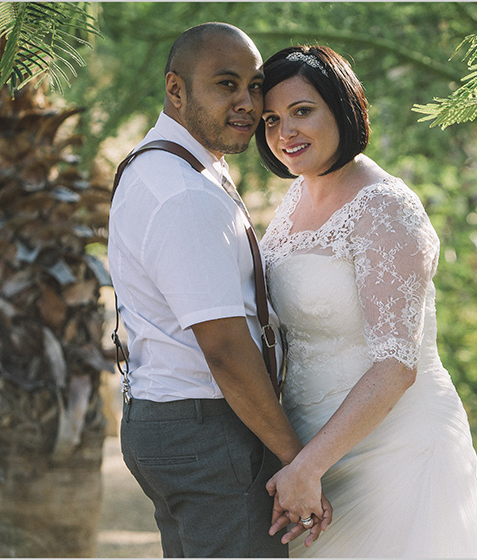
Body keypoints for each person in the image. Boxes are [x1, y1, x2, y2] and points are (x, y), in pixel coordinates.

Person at [257, 45, 477, 557]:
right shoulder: (299, 194)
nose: (285, 133)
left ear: (341, 107)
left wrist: (307, 467)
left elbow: (396, 365)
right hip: (314, 447)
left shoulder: (386, 208)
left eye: (302, 111)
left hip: (396, 447)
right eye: (272, 119)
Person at [108, 24, 329, 557]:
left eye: (254, 86)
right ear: (176, 89)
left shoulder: (162, 166)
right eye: (225, 84)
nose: (247, 104)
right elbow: (226, 350)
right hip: (208, 433)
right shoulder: (184, 192)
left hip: (172, 421)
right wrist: (295, 462)